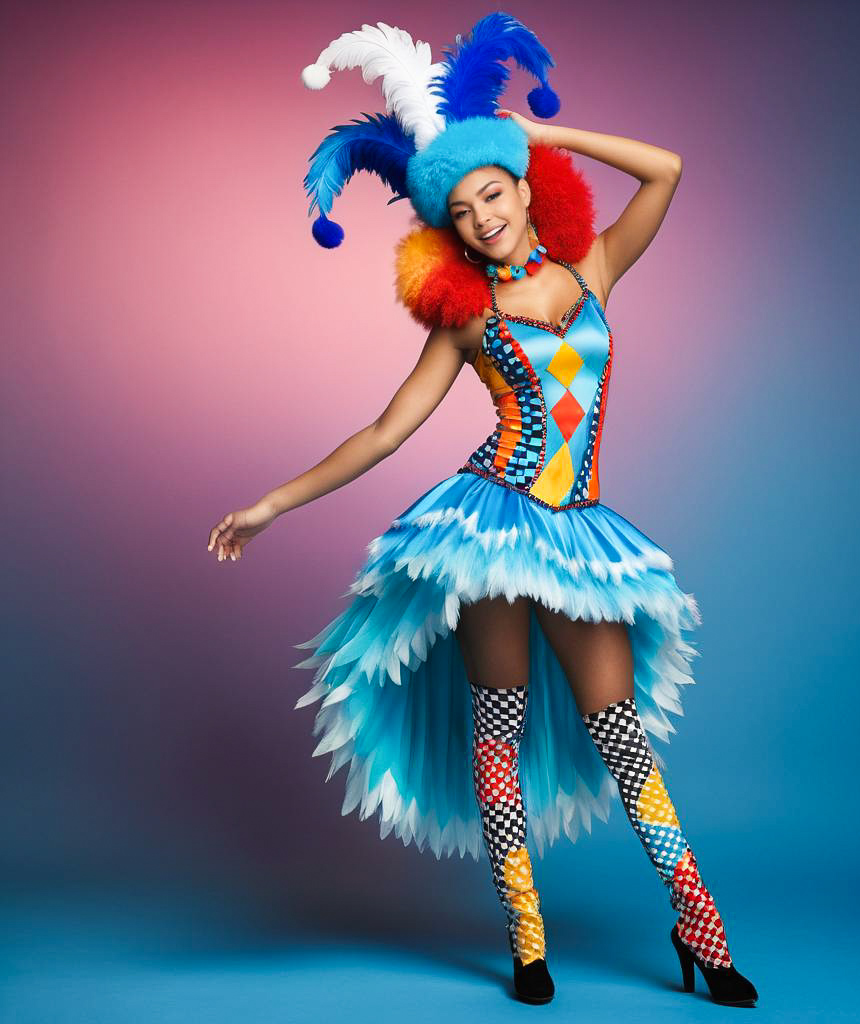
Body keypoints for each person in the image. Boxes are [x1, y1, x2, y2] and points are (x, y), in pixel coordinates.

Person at [206, 13, 758, 1009]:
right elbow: (382, 433)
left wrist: (543, 136)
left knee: (619, 732)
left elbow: (666, 169)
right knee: (494, 732)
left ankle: (699, 924)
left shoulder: (590, 272)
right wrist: (270, 503)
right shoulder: (464, 321)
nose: (481, 216)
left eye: (492, 191)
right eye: (459, 209)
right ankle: (526, 937)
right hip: (488, 530)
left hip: (579, 532)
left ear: (522, 189)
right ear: (447, 229)